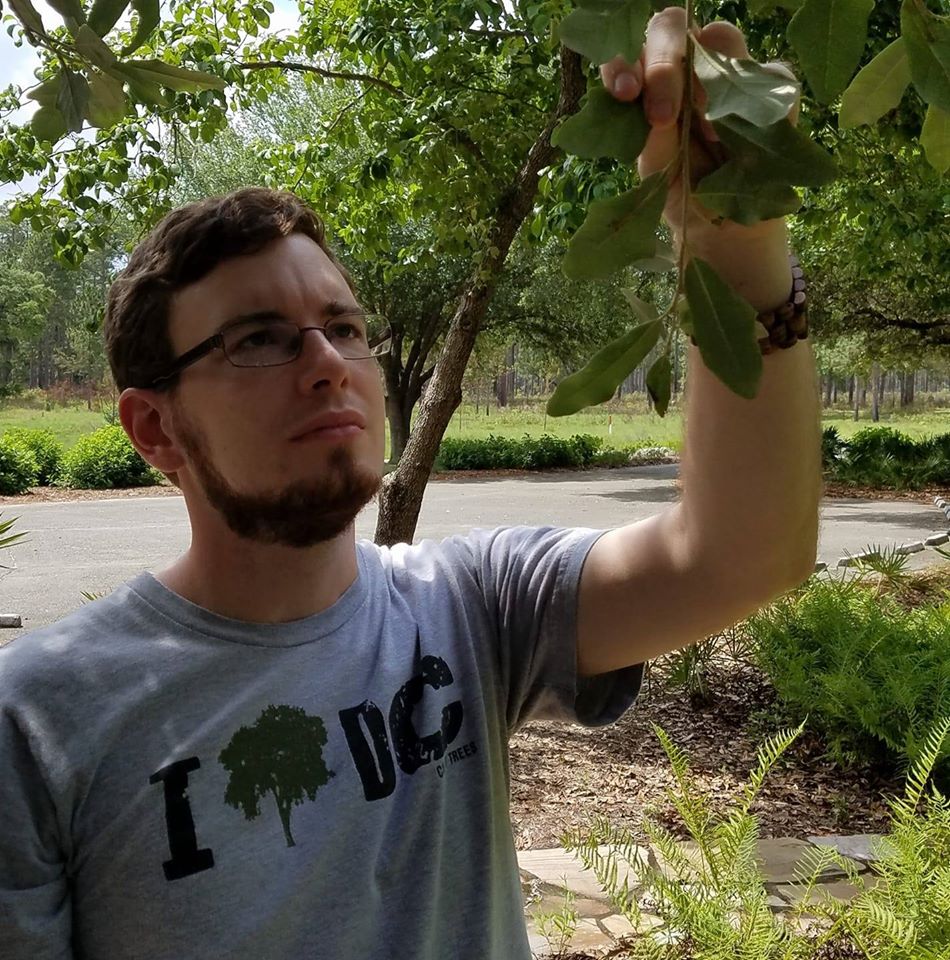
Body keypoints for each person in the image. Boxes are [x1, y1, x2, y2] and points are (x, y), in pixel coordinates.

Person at [0, 8, 822, 959]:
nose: (327, 364)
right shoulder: (40, 721)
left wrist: (739, 242)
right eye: (259, 339)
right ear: (154, 429)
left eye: (344, 328)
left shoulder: (471, 608)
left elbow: (741, 553)